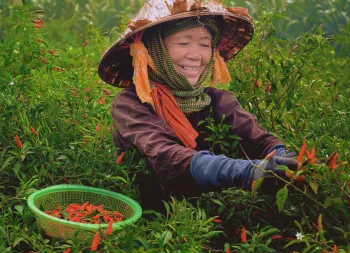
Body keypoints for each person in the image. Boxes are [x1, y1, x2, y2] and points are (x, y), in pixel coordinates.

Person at [98, 0, 299, 204]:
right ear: (155, 50)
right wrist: (247, 171)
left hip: (213, 216)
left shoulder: (218, 101)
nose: (196, 55)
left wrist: (284, 158)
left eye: (204, 44)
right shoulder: (131, 104)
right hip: (150, 216)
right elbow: (166, 154)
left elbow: (257, 138)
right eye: (183, 43)